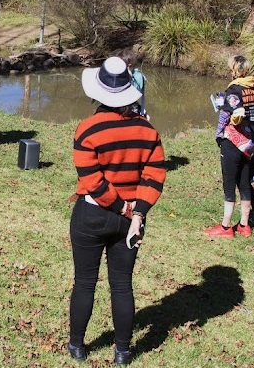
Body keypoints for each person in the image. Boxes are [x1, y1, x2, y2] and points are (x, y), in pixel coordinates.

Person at [67, 57, 166, 365]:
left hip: (93, 215)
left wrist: (123, 207)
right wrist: (136, 213)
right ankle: (122, 351)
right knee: (122, 285)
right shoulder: (148, 131)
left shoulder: (87, 130)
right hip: (131, 221)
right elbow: (155, 175)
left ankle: (77, 347)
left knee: (85, 281)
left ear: (98, 93)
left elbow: (93, 182)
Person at [205, 55, 254, 238]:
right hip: (248, 143)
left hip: (232, 141)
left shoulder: (234, 91)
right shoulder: (253, 89)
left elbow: (226, 115)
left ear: (234, 70)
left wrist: (219, 136)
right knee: (244, 183)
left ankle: (226, 226)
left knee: (229, 184)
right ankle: (245, 225)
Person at [118, 47, 148, 118]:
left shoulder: (137, 77)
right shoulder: (117, 76)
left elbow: (135, 92)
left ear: (130, 66)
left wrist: (129, 77)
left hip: (131, 107)